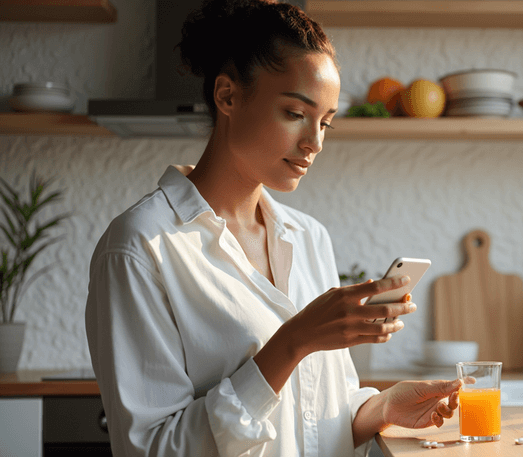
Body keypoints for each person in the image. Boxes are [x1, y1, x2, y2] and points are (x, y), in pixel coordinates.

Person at [84, 1, 462, 456]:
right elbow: (153, 449)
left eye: (326, 122)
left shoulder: (308, 237)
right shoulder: (140, 247)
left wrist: (381, 408)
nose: (314, 142)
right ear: (227, 96)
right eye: (295, 113)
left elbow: (317, 418)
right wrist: (294, 341)